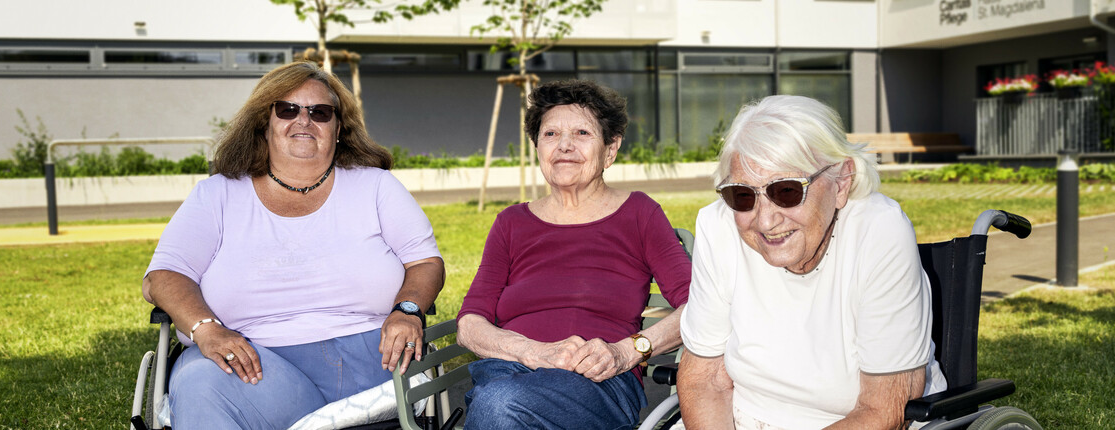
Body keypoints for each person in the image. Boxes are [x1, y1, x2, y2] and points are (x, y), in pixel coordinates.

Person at [141, 61, 445, 429]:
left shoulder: (376, 187)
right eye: (287, 109)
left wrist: (408, 309)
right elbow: (163, 276)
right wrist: (206, 328)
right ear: (263, 124)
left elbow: (426, 262)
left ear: (338, 130)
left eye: (320, 112)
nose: (304, 121)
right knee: (200, 383)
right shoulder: (217, 195)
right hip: (250, 365)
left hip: (371, 362)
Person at [677, 95, 948, 429]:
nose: (764, 221)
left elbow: (882, 411)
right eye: (743, 195)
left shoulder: (879, 232)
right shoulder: (718, 225)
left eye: (787, 190)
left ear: (841, 181)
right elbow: (705, 379)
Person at [455, 80, 692, 429]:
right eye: (550, 134)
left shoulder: (640, 213)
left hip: (596, 381)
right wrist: (532, 352)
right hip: (507, 370)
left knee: (499, 404)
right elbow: (469, 324)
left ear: (610, 150)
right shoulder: (511, 222)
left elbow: (700, 304)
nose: (564, 145)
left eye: (582, 133)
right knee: (501, 398)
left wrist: (626, 352)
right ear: (537, 147)